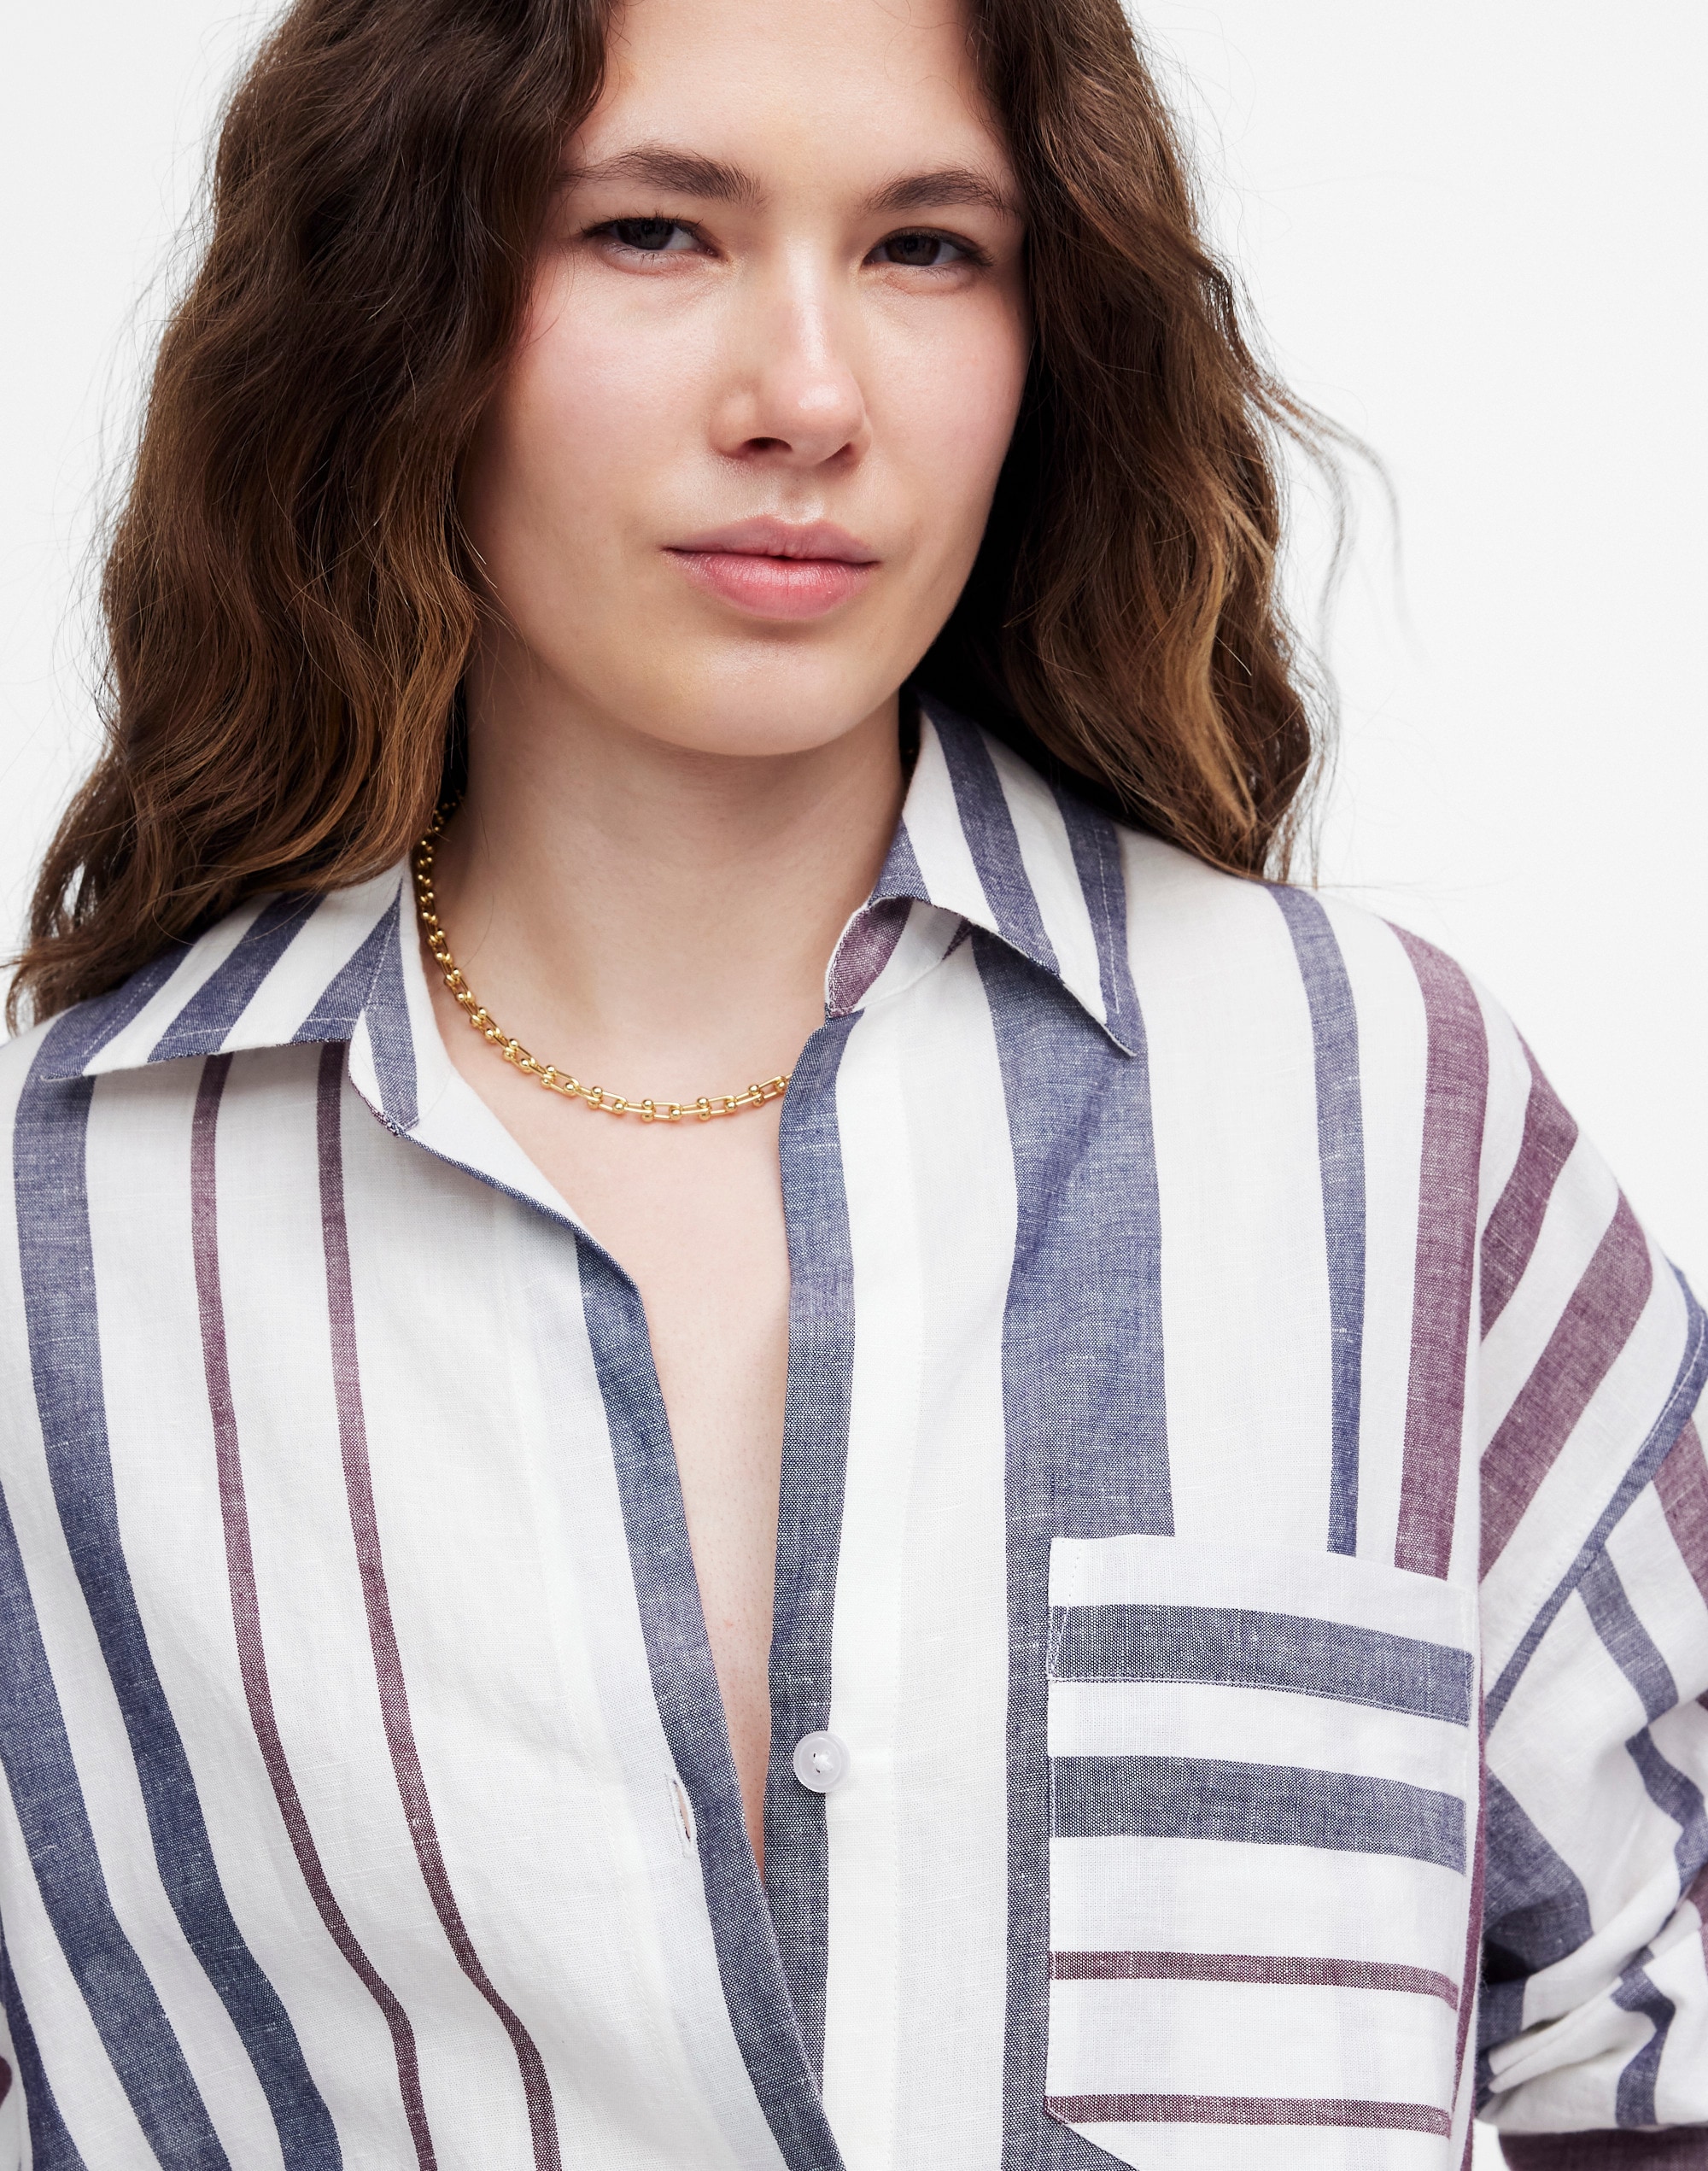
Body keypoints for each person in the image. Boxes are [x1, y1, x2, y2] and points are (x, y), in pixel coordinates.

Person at [0, 0, 1702, 2163]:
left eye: (926, 248)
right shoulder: (56, 1222)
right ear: (399, 301)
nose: (806, 398)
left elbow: (1662, 2035)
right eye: (650, 231)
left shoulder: (1369, 1110)